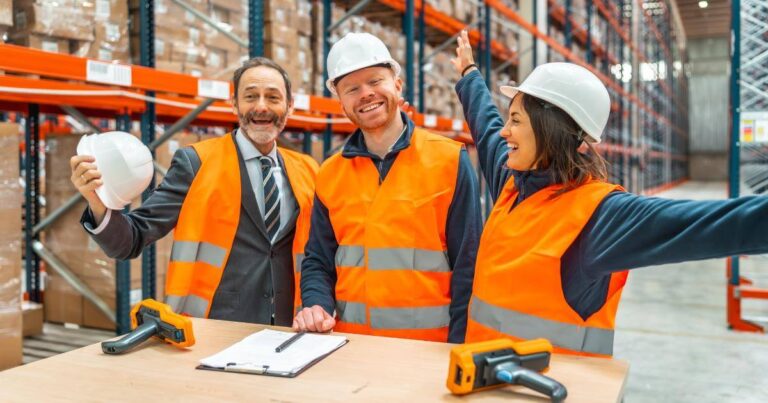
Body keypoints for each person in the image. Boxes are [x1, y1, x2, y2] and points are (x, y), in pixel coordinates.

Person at [451, 30, 768, 356]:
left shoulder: (598, 216)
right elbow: (486, 127)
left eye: (515, 120)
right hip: (484, 383)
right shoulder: (513, 183)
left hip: (554, 389)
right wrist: (469, 74)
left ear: (551, 128)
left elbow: (713, 224)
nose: (505, 131)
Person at [70, 57, 319, 325]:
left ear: (289, 105)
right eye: (250, 96)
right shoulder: (196, 163)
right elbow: (131, 240)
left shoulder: (307, 170)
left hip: (287, 325)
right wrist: (98, 203)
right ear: (234, 102)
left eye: (273, 97)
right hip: (215, 328)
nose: (261, 107)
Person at [293, 32, 482, 343]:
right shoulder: (330, 172)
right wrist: (315, 304)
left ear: (397, 84)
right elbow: (318, 260)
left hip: (427, 350)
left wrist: (458, 347)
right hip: (350, 347)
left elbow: (469, 265)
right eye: (352, 89)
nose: (366, 94)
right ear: (341, 103)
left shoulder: (449, 159)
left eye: (375, 81)